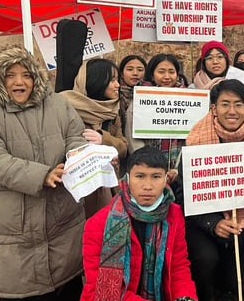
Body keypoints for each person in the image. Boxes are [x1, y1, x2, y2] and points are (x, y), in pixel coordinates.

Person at [0, 46, 86, 301]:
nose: (19, 81)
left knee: (49, 283)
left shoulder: (58, 105)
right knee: (11, 294)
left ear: (36, 78)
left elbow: (75, 137)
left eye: (26, 74)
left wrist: (83, 159)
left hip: (56, 215)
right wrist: (41, 174)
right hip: (9, 223)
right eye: (10, 75)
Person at [79, 147, 204, 301]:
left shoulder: (173, 214)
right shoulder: (99, 224)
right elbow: (103, 291)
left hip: (160, 300)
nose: (148, 185)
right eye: (140, 176)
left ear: (166, 179)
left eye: (156, 177)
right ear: (127, 179)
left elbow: (179, 267)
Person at [182, 79, 244, 301]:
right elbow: (183, 194)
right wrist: (213, 223)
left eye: (238, 104)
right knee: (206, 257)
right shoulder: (195, 141)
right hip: (202, 221)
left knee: (238, 286)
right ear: (213, 108)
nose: (232, 111)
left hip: (240, 220)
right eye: (225, 104)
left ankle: (223, 283)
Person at [61, 58, 128, 217]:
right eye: (112, 80)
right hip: (78, 193)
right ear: (96, 80)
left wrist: (103, 139)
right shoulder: (65, 107)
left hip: (108, 187)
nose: (117, 85)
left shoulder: (112, 110)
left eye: (117, 80)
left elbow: (123, 146)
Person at [125, 54, 186, 184]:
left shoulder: (188, 99)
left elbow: (190, 138)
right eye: (161, 72)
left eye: (171, 72)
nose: (167, 77)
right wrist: (153, 170)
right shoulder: (140, 100)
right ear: (152, 75)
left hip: (179, 174)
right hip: (148, 174)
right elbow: (134, 141)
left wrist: (176, 170)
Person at [118, 54, 146, 130]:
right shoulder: (114, 95)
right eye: (130, 69)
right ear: (121, 74)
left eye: (140, 70)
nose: (135, 73)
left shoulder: (150, 96)